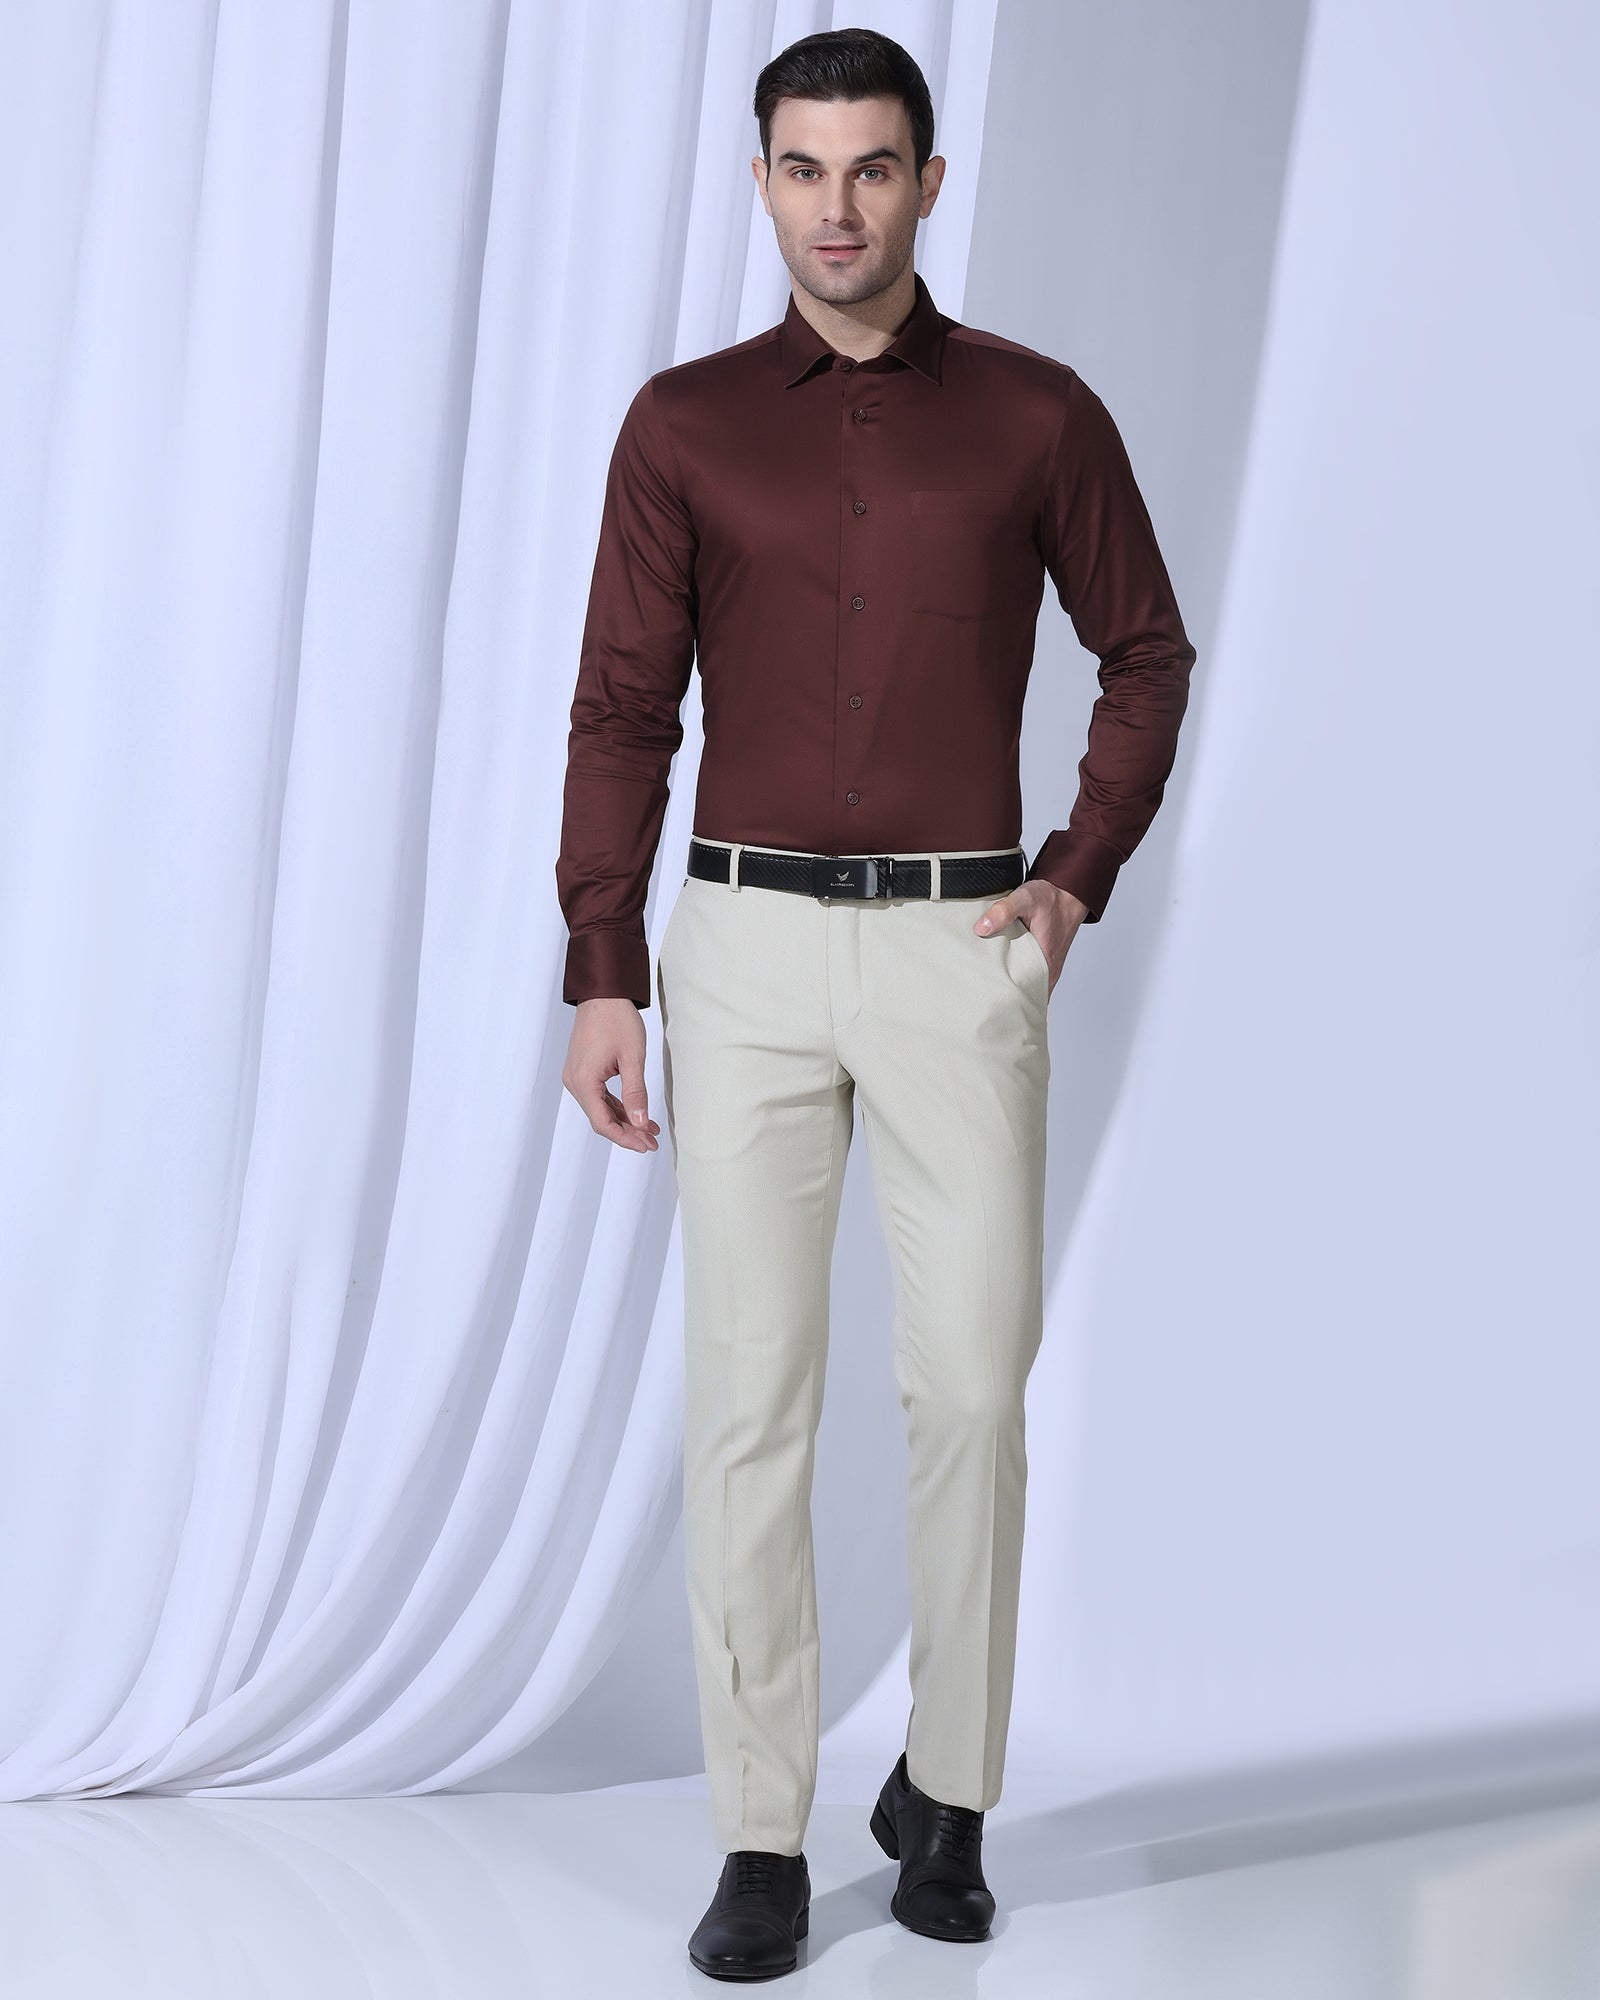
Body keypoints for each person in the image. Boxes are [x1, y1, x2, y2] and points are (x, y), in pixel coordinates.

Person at [555, 25, 1195, 1981]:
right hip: (741, 950)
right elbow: (620, 706)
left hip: (953, 947)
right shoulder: (681, 427)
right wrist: (601, 966)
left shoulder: (1036, 417)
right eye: (802, 168)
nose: (836, 207)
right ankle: (761, 1836)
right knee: (750, 1395)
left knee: (972, 1390)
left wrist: (1072, 876)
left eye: (872, 167)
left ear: (927, 181)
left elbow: (1145, 653)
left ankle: (947, 1795)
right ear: (760, 182)